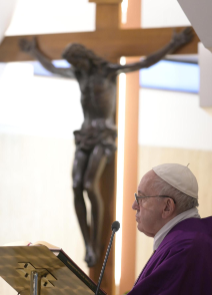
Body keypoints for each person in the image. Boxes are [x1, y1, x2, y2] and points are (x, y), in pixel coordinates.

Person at [19, 29, 192, 267]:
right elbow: (53, 68)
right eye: (73, 63)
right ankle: (89, 244)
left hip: (103, 135)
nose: (75, 65)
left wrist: (173, 44)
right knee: (76, 186)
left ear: (85, 56)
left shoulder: (107, 71)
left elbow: (145, 62)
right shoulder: (81, 74)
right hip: (84, 134)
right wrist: (34, 52)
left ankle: (96, 243)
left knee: (90, 185)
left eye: (77, 60)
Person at [130, 163, 212, 294]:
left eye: (141, 198)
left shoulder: (185, 248)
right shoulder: (182, 240)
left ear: (167, 207)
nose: (134, 206)